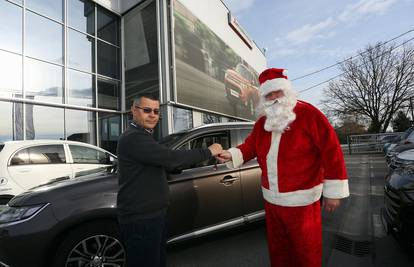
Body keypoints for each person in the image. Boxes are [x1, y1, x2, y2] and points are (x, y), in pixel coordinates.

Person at [217, 68, 349, 267]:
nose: (274, 98)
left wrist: (333, 192)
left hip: (302, 202)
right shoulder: (262, 122)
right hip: (272, 200)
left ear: (287, 91)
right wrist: (232, 153)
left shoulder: (308, 113)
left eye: (277, 92)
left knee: (306, 251)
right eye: (268, 94)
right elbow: (250, 146)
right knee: (278, 249)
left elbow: (331, 151)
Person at [117, 93, 223, 267]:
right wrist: (209, 151)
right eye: (146, 110)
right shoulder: (133, 138)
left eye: (156, 111)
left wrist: (177, 165)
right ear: (133, 111)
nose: (152, 115)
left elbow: (163, 163)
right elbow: (169, 157)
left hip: (151, 216)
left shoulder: (143, 136)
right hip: (141, 219)